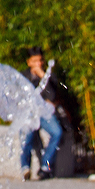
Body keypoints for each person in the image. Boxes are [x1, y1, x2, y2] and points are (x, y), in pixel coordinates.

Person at [20, 46, 65, 180]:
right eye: (34, 61)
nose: (38, 64)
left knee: (57, 132)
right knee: (26, 137)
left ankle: (45, 166)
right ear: (29, 62)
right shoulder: (23, 77)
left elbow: (51, 97)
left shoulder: (48, 76)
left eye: (40, 61)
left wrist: (42, 76)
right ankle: (25, 167)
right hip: (28, 113)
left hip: (43, 113)